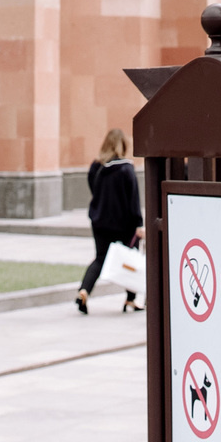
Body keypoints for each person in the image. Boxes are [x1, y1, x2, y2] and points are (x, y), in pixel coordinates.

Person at [78, 128, 142, 314]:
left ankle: (84, 291)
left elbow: (94, 190)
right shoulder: (126, 169)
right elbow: (133, 199)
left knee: (100, 258)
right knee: (131, 258)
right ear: (123, 145)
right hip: (124, 224)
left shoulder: (96, 167)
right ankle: (130, 299)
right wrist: (138, 223)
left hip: (100, 221)